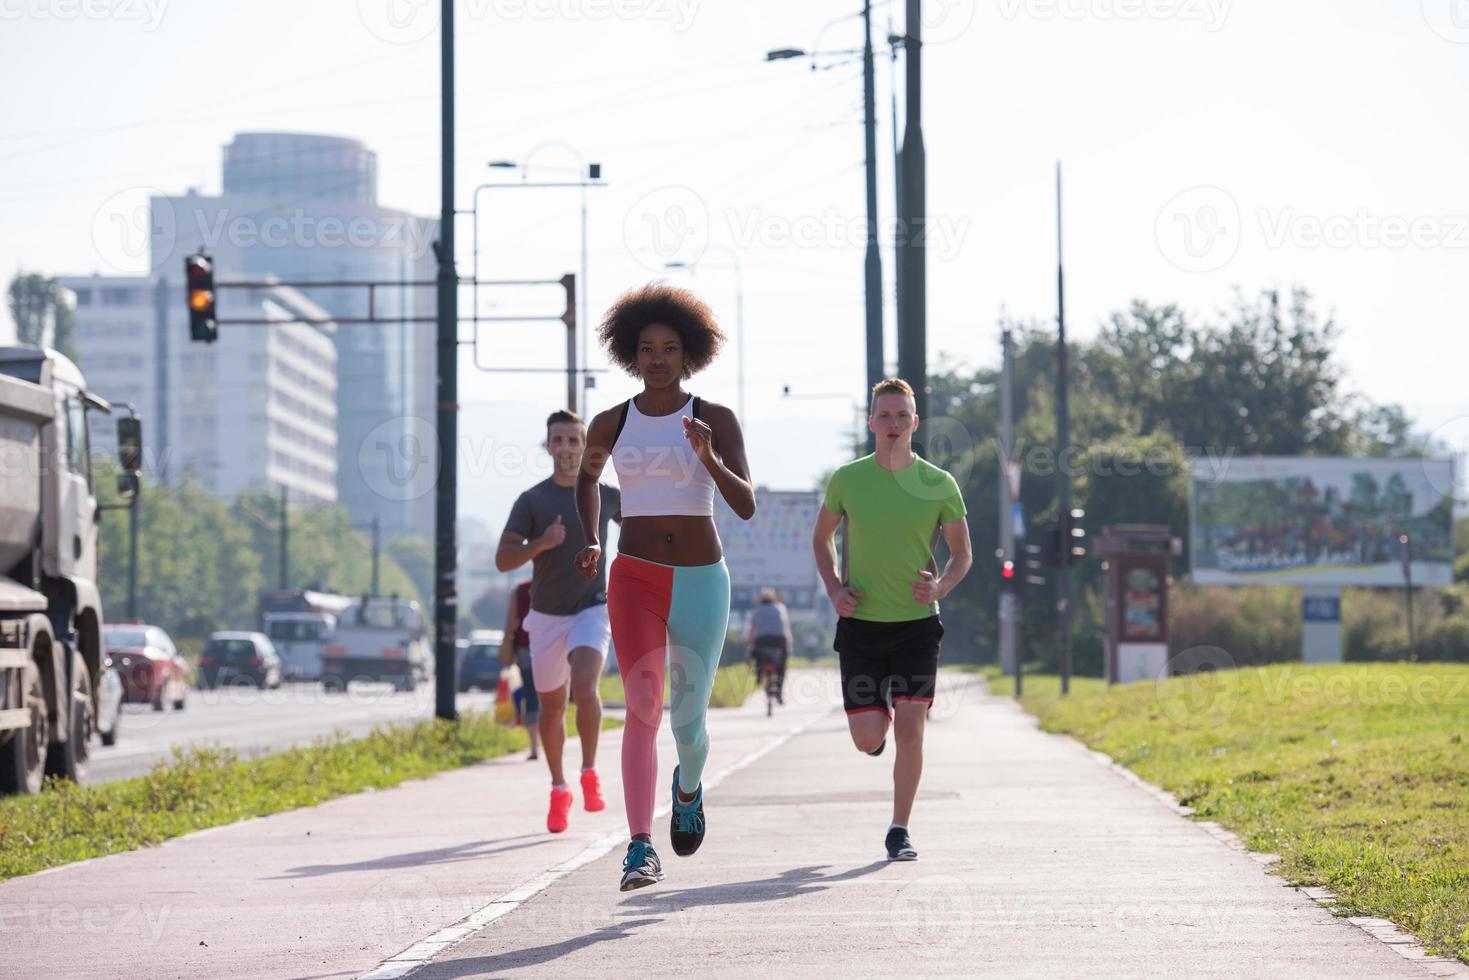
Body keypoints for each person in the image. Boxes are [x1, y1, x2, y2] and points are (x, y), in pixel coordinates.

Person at [574, 282, 755, 892]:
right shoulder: (610, 421)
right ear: (632, 354)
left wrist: (709, 459)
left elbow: (747, 505)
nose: (657, 359)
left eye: (669, 349)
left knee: (689, 724)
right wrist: (593, 536)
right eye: (646, 349)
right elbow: (587, 481)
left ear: (688, 355)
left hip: (703, 581)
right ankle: (639, 848)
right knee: (643, 710)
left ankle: (687, 789)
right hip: (635, 579)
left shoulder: (716, 419)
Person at [811, 377, 972, 862]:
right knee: (868, 739)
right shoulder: (847, 479)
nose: (893, 425)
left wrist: (940, 586)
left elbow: (963, 554)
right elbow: (822, 540)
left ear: (915, 423)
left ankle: (899, 828)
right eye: (885, 416)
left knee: (911, 728)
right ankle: (874, 733)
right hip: (860, 624)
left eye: (903, 416)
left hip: (916, 625)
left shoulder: (939, 485)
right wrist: (835, 589)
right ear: (871, 422)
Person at [496, 410, 621, 833]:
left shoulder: (606, 493)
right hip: (546, 616)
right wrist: (541, 543)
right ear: (548, 447)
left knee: (585, 689)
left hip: (593, 607)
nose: (567, 448)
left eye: (574, 440)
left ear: (586, 447)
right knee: (551, 707)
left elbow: (645, 527)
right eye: (559, 441)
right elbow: (502, 559)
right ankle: (559, 787)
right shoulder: (532, 501)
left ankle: (589, 772)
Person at [500, 580, 540, 761]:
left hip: (524, 647)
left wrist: (507, 640)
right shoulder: (552, 583)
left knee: (531, 695)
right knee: (553, 696)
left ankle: (534, 748)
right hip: (550, 646)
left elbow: (510, 622)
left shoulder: (521, 589)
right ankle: (552, 744)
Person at [745, 587, 792, 702]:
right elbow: (786, 629)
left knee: (756, 655)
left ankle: (759, 674)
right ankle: (779, 693)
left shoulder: (756, 611)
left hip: (762, 640)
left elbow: (752, 630)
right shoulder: (781, 608)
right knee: (782, 665)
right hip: (780, 640)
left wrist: (750, 644)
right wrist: (788, 645)